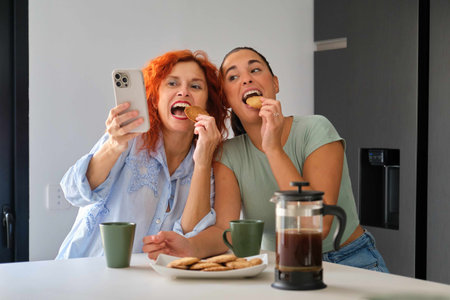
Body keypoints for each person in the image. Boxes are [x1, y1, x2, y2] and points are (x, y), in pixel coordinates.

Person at [142, 47, 389, 273]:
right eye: (233, 76)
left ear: (275, 83)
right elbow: (224, 231)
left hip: (349, 261)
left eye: (255, 69)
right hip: (278, 266)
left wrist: (273, 149)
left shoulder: (316, 129)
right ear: (226, 99)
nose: (247, 78)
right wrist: (189, 247)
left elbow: (318, 225)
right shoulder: (228, 154)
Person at [56, 50, 227, 258]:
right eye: (172, 83)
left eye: (195, 86)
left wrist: (202, 163)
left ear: (207, 105)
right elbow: (73, 192)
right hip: (85, 272)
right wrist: (113, 145)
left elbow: (189, 240)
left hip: (150, 285)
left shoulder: (206, 163)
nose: (184, 92)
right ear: (155, 98)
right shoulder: (128, 139)